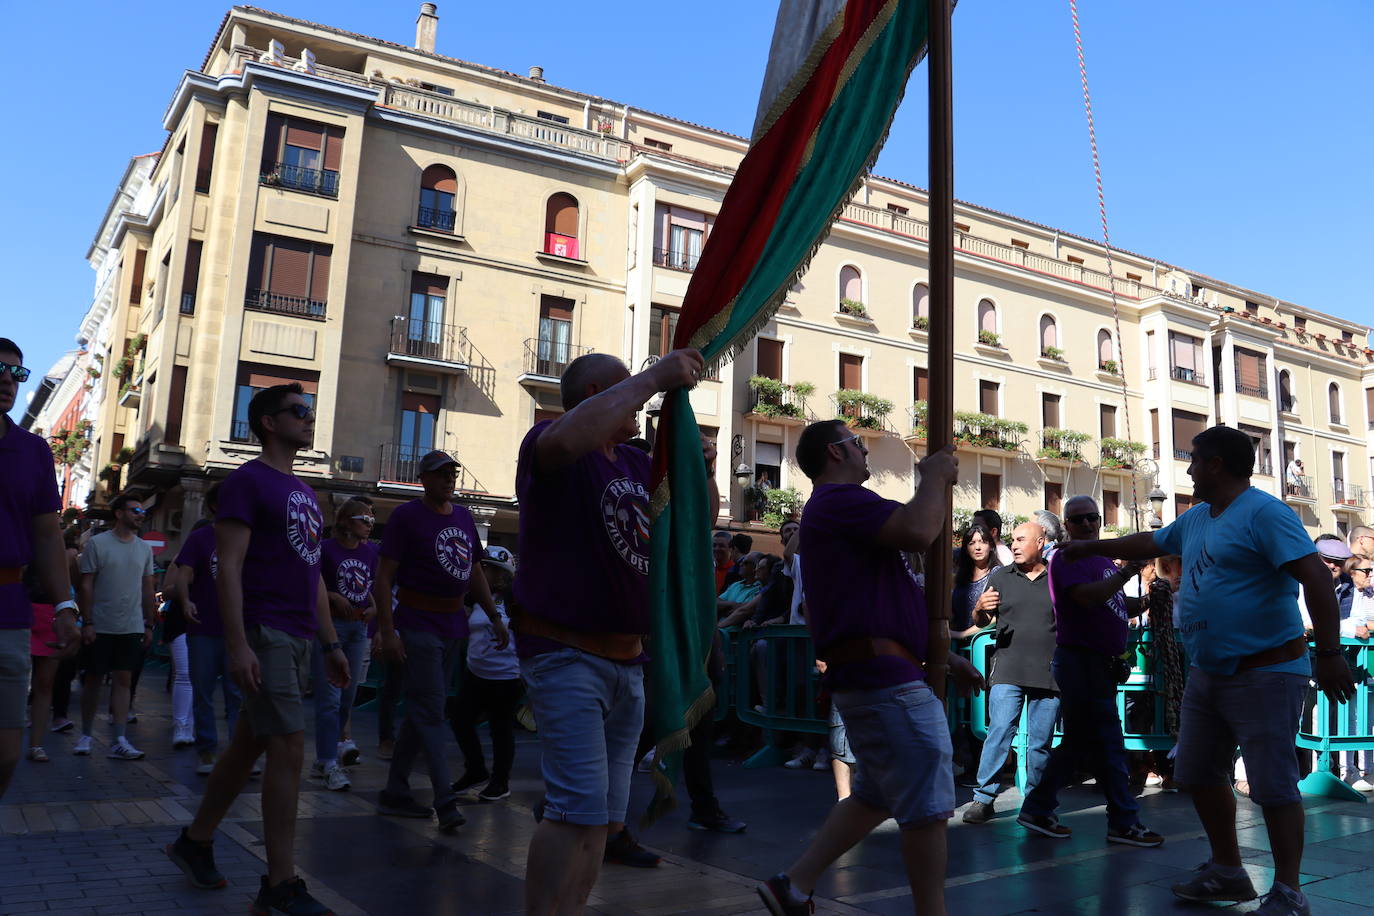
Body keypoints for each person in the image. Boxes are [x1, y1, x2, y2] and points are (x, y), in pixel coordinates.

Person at [1057, 425, 1355, 916]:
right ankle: (1229, 871)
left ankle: (1288, 892)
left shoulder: (1265, 513)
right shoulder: (1195, 519)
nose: (1189, 466)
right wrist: (1089, 547)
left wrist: (1329, 653)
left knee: (1273, 787)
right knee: (1197, 772)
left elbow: (1317, 577)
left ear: (1216, 464)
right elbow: (1151, 541)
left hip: (1266, 671)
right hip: (1209, 673)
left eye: (1194, 458)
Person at [513, 348, 710, 915]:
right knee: (576, 808)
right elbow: (565, 442)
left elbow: (695, 515)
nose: (640, 400)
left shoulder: (630, 462)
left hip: (630, 664)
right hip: (567, 655)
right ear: (599, 390)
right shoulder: (549, 442)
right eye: (628, 388)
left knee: (604, 818)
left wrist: (697, 457)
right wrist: (656, 376)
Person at [757, 420, 981, 916]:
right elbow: (921, 531)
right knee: (927, 808)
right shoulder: (840, 502)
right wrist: (934, 478)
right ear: (836, 453)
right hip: (885, 682)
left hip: (876, 674)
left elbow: (875, 605)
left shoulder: (832, 511)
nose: (865, 450)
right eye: (857, 443)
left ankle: (793, 885)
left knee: (874, 795)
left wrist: (944, 656)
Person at [166, 383, 349, 916]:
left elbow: (313, 572)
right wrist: (239, 642)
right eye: (299, 411)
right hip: (264, 630)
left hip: (299, 635)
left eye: (309, 411)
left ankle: (194, 841)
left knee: (249, 743)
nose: (308, 418)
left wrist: (331, 642)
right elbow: (229, 568)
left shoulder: (307, 494)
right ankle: (279, 885)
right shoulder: (247, 482)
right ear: (269, 422)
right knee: (290, 746)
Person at [1015, 495, 1163, 846]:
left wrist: (1144, 600)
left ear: (1099, 521)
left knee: (1080, 743)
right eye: (1077, 519)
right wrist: (1128, 571)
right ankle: (1123, 821)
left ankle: (1038, 807)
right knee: (1109, 743)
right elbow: (1086, 598)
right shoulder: (1067, 558)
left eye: (1091, 518)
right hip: (1082, 661)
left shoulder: (1100, 560)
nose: (1086, 524)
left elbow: (1111, 601)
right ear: (1066, 526)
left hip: (1097, 663)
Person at [375, 450, 507, 832]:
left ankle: (395, 792)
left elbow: (475, 571)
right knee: (431, 711)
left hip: (453, 624)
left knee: (422, 710)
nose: (449, 478)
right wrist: (387, 630)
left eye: (453, 472)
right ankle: (444, 801)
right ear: (424, 478)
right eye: (441, 473)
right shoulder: (405, 517)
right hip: (417, 625)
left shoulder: (465, 517)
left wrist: (495, 616)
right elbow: (383, 578)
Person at [0, 338, 79, 799]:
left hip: (9, 608)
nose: (7, 379)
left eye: (16, 372)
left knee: (7, 752)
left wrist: (66, 604)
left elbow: (49, 535)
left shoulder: (32, 451)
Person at [962, 522, 1060, 825]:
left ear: (1041, 542)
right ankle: (984, 798)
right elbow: (981, 619)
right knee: (999, 732)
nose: (1014, 545)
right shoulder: (1001, 576)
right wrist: (979, 608)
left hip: (1049, 672)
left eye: (1021, 540)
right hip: (1008, 669)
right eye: (1013, 540)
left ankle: (1035, 802)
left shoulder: (1058, 579)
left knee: (1041, 742)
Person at [75, 492, 157, 760]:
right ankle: (86, 734)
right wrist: (87, 621)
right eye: (135, 510)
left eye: (142, 511)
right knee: (93, 681)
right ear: (119, 514)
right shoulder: (98, 544)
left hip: (131, 625)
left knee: (124, 680)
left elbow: (148, 588)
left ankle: (119, 739)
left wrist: (148, 623)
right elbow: (85, 585)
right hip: (100, 624)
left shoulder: (144, 548)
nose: (140, 515)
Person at [172, 486, 244, 776]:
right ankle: (207, 752)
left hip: (236, 628)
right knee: (203, 691)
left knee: (236, 694)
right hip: (203, 627)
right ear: (215, 506)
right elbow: (183, 574)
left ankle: (238, 754)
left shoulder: (245, 538)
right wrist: (186, 600)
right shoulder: (200, 538)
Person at [312, 498, 377, 792]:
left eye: (372, 521)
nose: (369, 525)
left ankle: (326, 754)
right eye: (365, 519)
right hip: (332, 626)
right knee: (330, 698)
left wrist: (374, 608)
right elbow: (310, 584)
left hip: (359, 626)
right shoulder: (326, 549)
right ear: (348, 521)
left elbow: (370, 585)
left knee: (348, 697)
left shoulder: (370, 552)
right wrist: (331, 595)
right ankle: (328, 762)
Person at [450, 545, 521, 802]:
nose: (481, 573)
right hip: (476, 672)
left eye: (487, 569)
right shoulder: (475, 598)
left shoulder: (515, 599)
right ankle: (475, 769)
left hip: (507, 675)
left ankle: (500, 782)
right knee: (460, 720)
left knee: (500, 729)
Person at [951, 524, 1000, 639]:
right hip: (957, 643)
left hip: (982, 644)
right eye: (971, 543)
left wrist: (962, 635)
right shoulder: (962, 576)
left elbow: (998, 617)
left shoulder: (998, 574)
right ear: (966, 549)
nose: (977, 547)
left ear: (990, 546)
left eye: (982, 542)